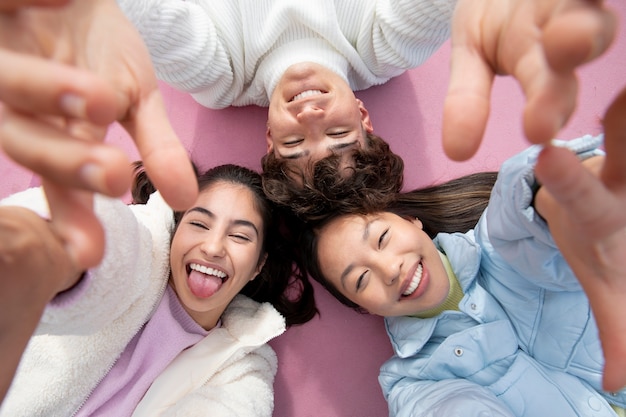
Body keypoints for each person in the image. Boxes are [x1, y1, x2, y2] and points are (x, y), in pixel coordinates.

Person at [0, 0, 618, 271]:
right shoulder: (382, 48)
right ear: (367, 117)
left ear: (268, 141)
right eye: (341, 133)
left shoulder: (220, 75)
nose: (311, 116)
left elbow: (147, 17)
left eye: (294, 145)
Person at [298, 86, 626, 416]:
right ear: (362, 307)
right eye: (361, 278)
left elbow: (524, 201)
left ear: (412, 221)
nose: (390, 269)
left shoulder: (500, 243)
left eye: (382, 238)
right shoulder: (416, 383)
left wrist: (565, 194)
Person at [0, 163, 316, 415]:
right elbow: (104, 241)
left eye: (240, 237)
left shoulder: (242, 369)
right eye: (199, 224)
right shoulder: (138, 259)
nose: (213, 247)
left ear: (259, 265)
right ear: (174, 232)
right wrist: (42, 248)